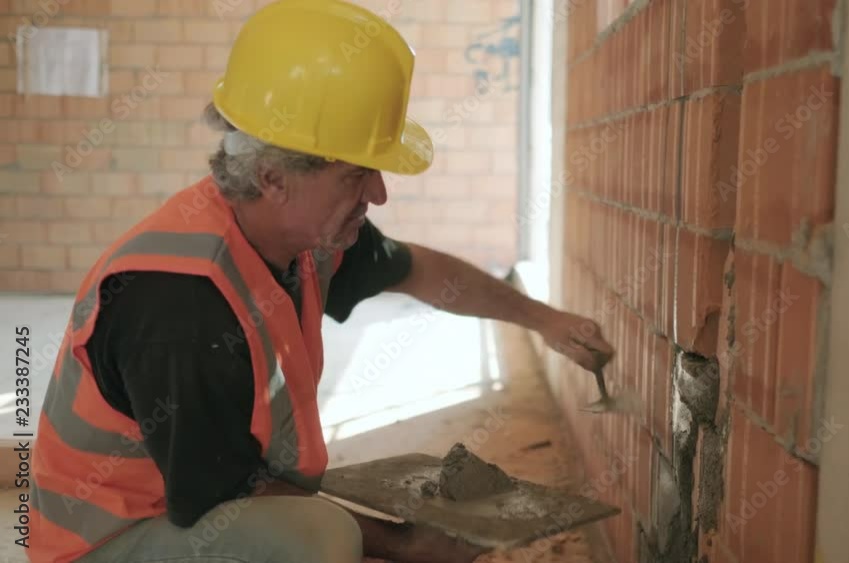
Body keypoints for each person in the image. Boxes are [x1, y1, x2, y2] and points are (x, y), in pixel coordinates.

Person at [26, 1, 614, 562]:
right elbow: (220, 499)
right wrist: (408, 544)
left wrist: (547, 321)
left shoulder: (301, 235)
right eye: (357, 174)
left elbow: (421, 272)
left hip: (182, 504)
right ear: (274, 177)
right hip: (109, 542)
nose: (378, 193)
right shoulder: (181, 305)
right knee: (321, 536)